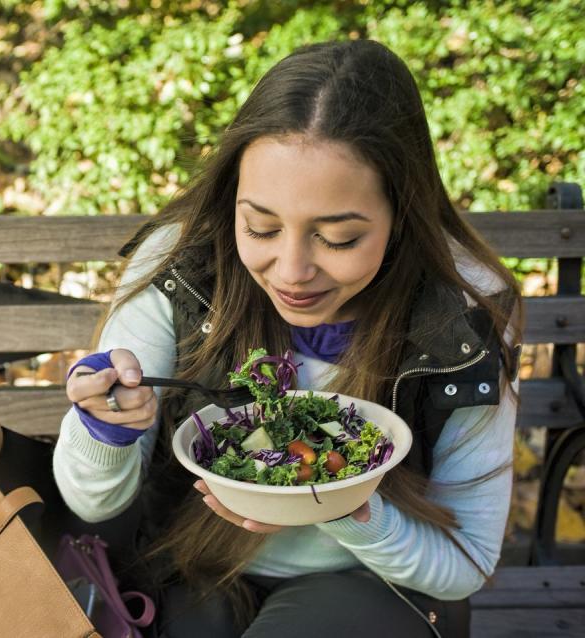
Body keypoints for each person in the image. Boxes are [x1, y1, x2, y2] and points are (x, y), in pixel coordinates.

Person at [53, 38, 523, 638]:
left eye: (338, 238)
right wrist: (105, 427)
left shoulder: (461, 310)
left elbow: (466, 560)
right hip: (194, 565)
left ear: (402, 214)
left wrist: (349, 510)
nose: (291, 271)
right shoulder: (183, 270)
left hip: (381, 586)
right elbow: (93, 505)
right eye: (261, 227)